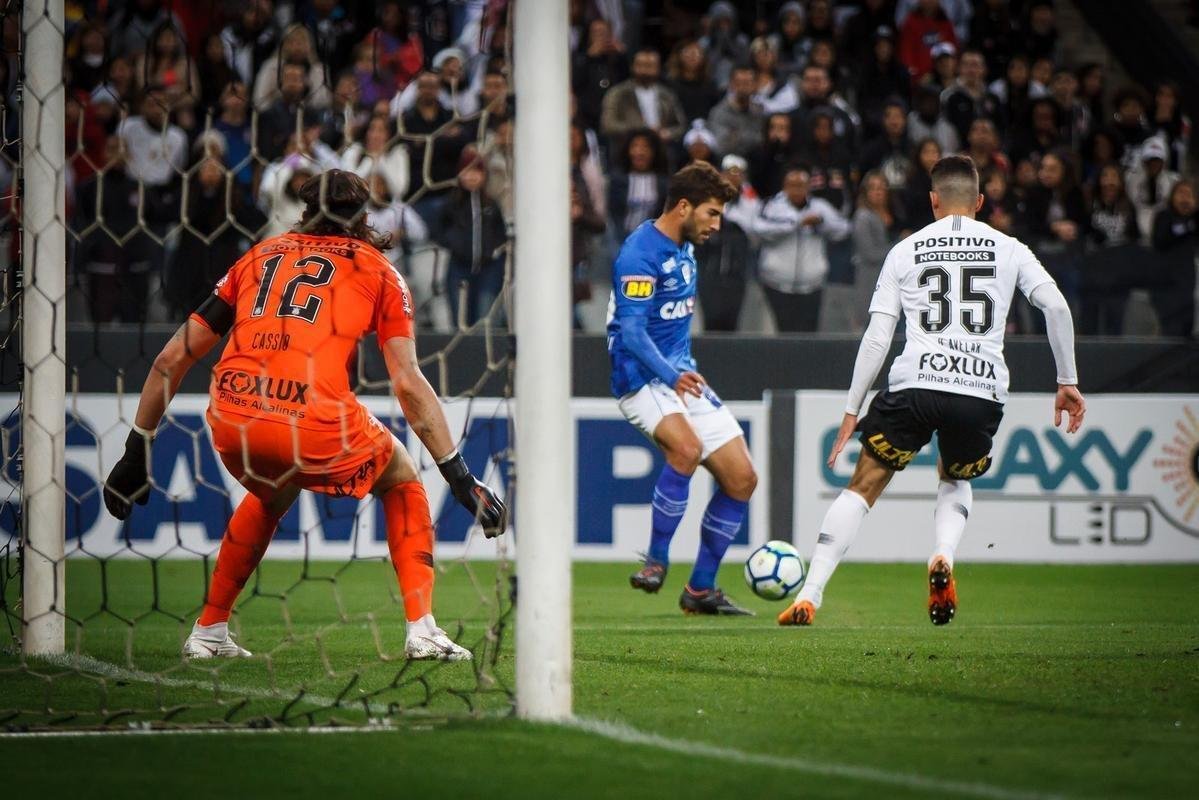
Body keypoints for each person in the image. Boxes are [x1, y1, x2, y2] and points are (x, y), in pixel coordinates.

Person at [102, 169, 507, 661]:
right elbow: (407, 382)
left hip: (234, 416)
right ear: (363, 214)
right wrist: (459, 477)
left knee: (273, 491)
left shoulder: (259, 256)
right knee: (401, 478)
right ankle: (422, 630)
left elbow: (171, 359)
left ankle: (208, 631)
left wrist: (136, 449)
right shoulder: (379, 270)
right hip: (310, 416)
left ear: (307, 209)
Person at [778, 155, 1085, 627]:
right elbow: (1057, 308)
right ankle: (942, 554)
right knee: (954, 477)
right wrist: (1067, 381)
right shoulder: (1010, 248)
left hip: (916, 383)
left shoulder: (905, 250)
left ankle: (810, 595)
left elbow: (877, 337)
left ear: (933, 201)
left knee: (863, 486)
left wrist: (852, 408)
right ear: (979, 202)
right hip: (979, 389)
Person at [613, 162, 757, 616]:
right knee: (687, 449)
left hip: (680, 376)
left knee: (742, 478)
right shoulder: (639, 255)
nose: (717, 224)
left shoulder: (686, 246)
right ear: (682, 207)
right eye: (711, 213)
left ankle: (700, 590)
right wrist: (672, 375)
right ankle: (656, 561)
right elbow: (632, 333)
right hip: (639, 377)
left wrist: (681, 372)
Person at [752, 165, 850, 332]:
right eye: (792, 185)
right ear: (785, 187)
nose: (796, 190)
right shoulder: (771, 206)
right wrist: (796, 224)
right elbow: (759, 228)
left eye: (801, 186)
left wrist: (821, 224)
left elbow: (844, 229)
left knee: (808, 334)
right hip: (776, 283)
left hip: (812, 285)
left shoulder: (820, 207)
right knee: (780, 334)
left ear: (808, 187)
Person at [694, 154, 759, 331]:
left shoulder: (751, 203)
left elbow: (754, 235)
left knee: (732, 321)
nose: (733, 177)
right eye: (729, 172)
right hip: (710, 271)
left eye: (738, 173)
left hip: (737, 274)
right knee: (710, 320)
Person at [1151, 180, 1199, 337]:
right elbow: (1160, 241)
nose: (1185, 199)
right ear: (1172, 196)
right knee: (1170, 330)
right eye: (1181, 193)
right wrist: (1187, 227)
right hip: (1166, 285)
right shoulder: (1164, 216)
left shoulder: (1195, 220)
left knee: (1187, 330)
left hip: (1188, 285)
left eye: (1189, 195)